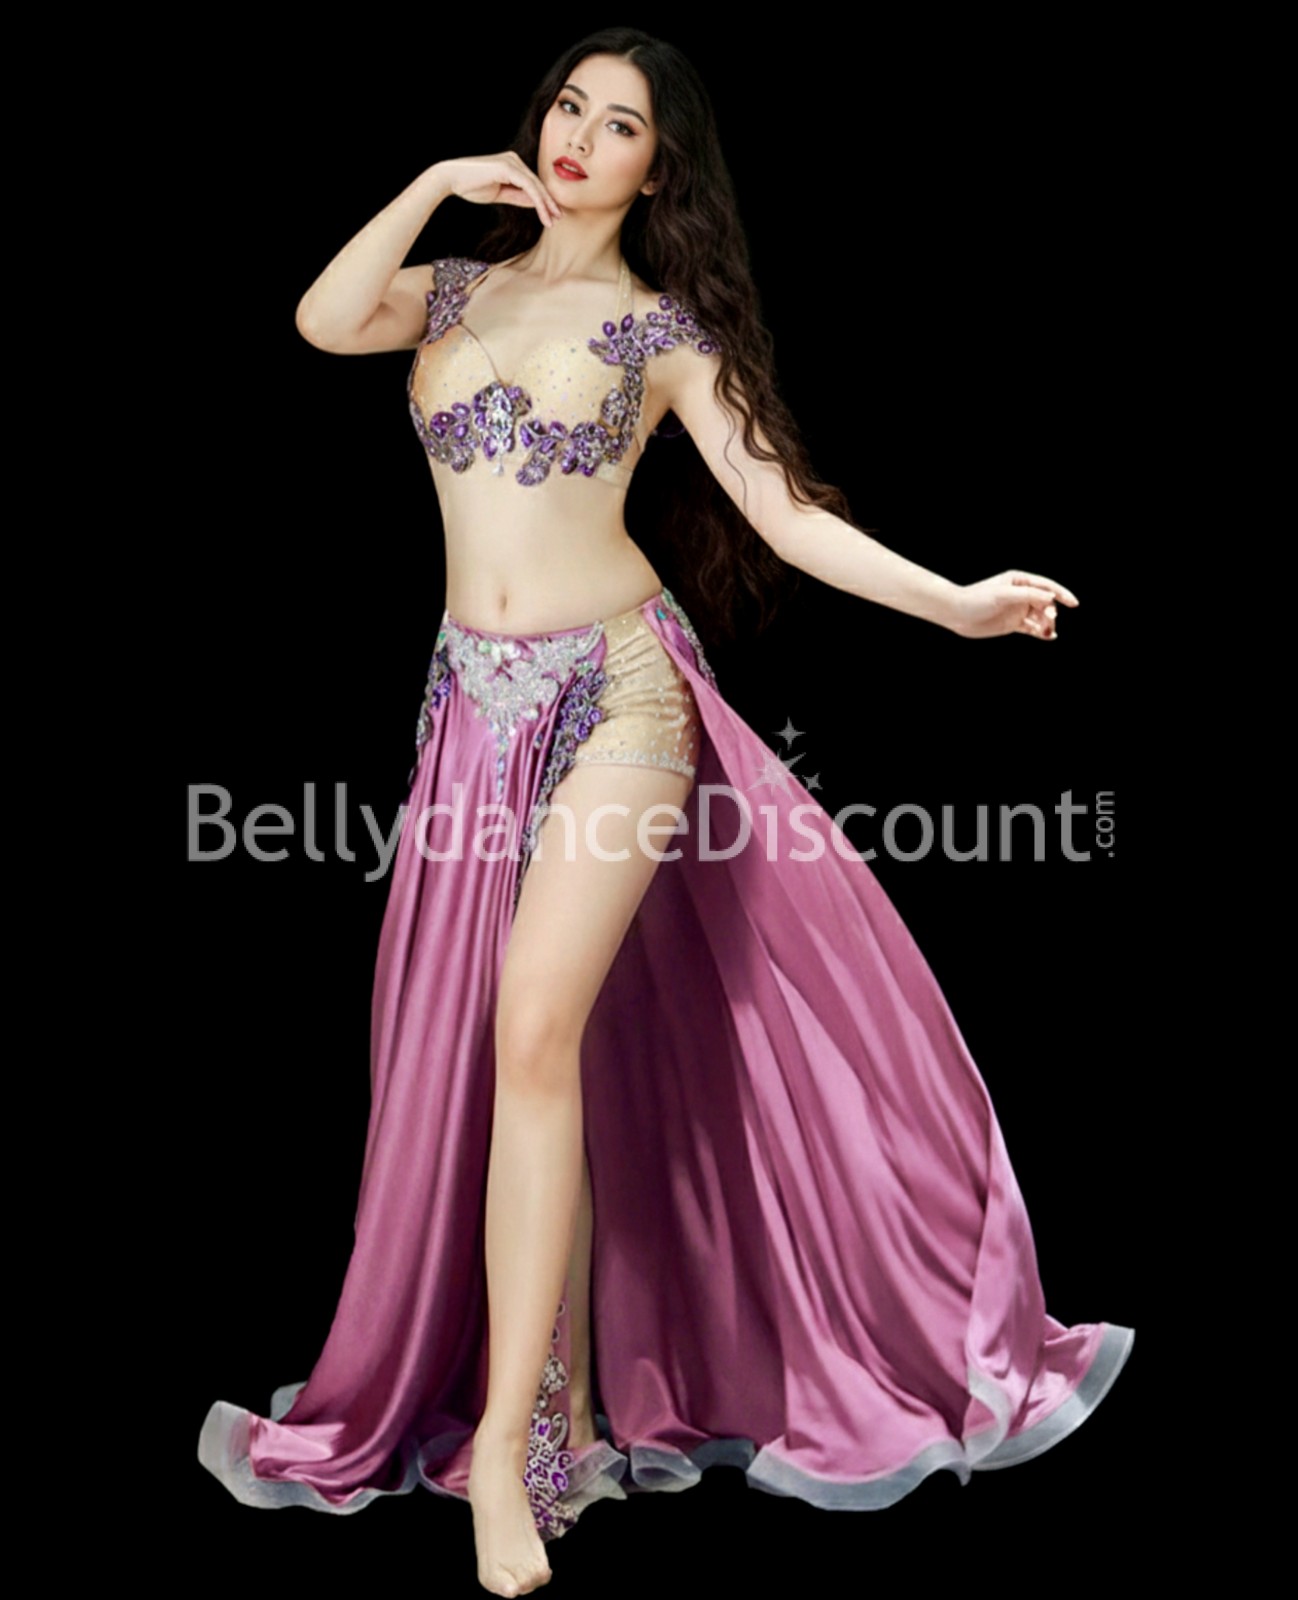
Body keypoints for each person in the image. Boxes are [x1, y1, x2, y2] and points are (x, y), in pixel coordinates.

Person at [196, 27, 1134, 1598]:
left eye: (618, 123)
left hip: (621, 693)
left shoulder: (659, 332)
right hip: (471, 708)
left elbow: (782, 512)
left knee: (531, 1029)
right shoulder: (451, 291)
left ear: (656, 168)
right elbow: (320, 317)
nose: (578, 135)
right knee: (508, 1052)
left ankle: (510, 1461)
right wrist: (430, 182)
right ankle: (556, 1412)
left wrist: (956, 602)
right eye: (567, 105)